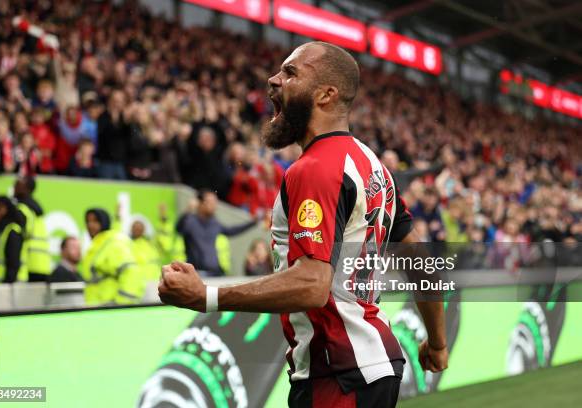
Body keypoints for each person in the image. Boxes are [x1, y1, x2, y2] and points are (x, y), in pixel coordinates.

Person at [159, 42, 448, 407]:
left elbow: (312, 285)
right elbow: (423, 265)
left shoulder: (315, 169)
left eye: (291, 73)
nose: (273, 79)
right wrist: (436, 343)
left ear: (326, 95)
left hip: (339, 372)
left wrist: (207, 297)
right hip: (373, 366)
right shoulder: (372, 166)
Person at [176, 190, 256, 277]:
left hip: (215, 273)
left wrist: (253, 222)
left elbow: (231, 231)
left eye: (215, 202)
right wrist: (188, 210)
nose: (215, 205)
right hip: (197, 273)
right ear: (200, 203)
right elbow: (178, 229)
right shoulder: (190, 221)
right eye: (211, 202)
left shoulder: (214, 223)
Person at [78, 208, 144, 305]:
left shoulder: (112, 243)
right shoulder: (98, 245)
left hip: (110, 313)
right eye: (88, 221)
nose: (90, 225)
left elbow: (132, 273)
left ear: (104, 222)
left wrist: (121, 306)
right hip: (98, 311)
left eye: (95, 221)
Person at [14, 176, 51, 281]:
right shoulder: (36, 209)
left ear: (27, 188)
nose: (14, 186)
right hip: (41, 265)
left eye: (18, 184)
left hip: (29, 265)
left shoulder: (22, 209)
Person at [0, 196, 27, 283]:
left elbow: (13, 264)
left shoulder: (12, 231)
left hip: (9, 288)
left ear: (9, 210)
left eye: (0, 209)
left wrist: (6, 288)